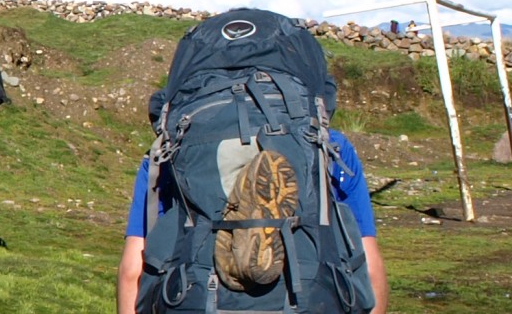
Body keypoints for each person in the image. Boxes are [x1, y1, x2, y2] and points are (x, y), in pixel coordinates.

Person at [115, 129, 387, 314]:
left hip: (196, 296)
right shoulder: (327, 145)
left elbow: (132, 271)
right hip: (306, 299)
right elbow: (368, 267)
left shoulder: (171, 147)